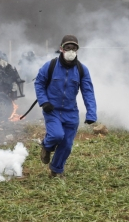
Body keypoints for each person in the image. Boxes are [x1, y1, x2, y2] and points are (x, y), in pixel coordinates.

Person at [34, 35, 97, 178]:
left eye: (74, 48)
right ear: (61, 49)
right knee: (56, 135)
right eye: (68, 48)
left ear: (77, 50)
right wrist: (44, 102)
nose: (71, 51)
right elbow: (39, 83)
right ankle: (46, 145)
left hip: (71, 112)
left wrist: (91, 113)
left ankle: (56, 170)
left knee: (67, 144)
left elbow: (88, 92)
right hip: (52, 110)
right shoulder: (50, 66)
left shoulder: (82, 70)